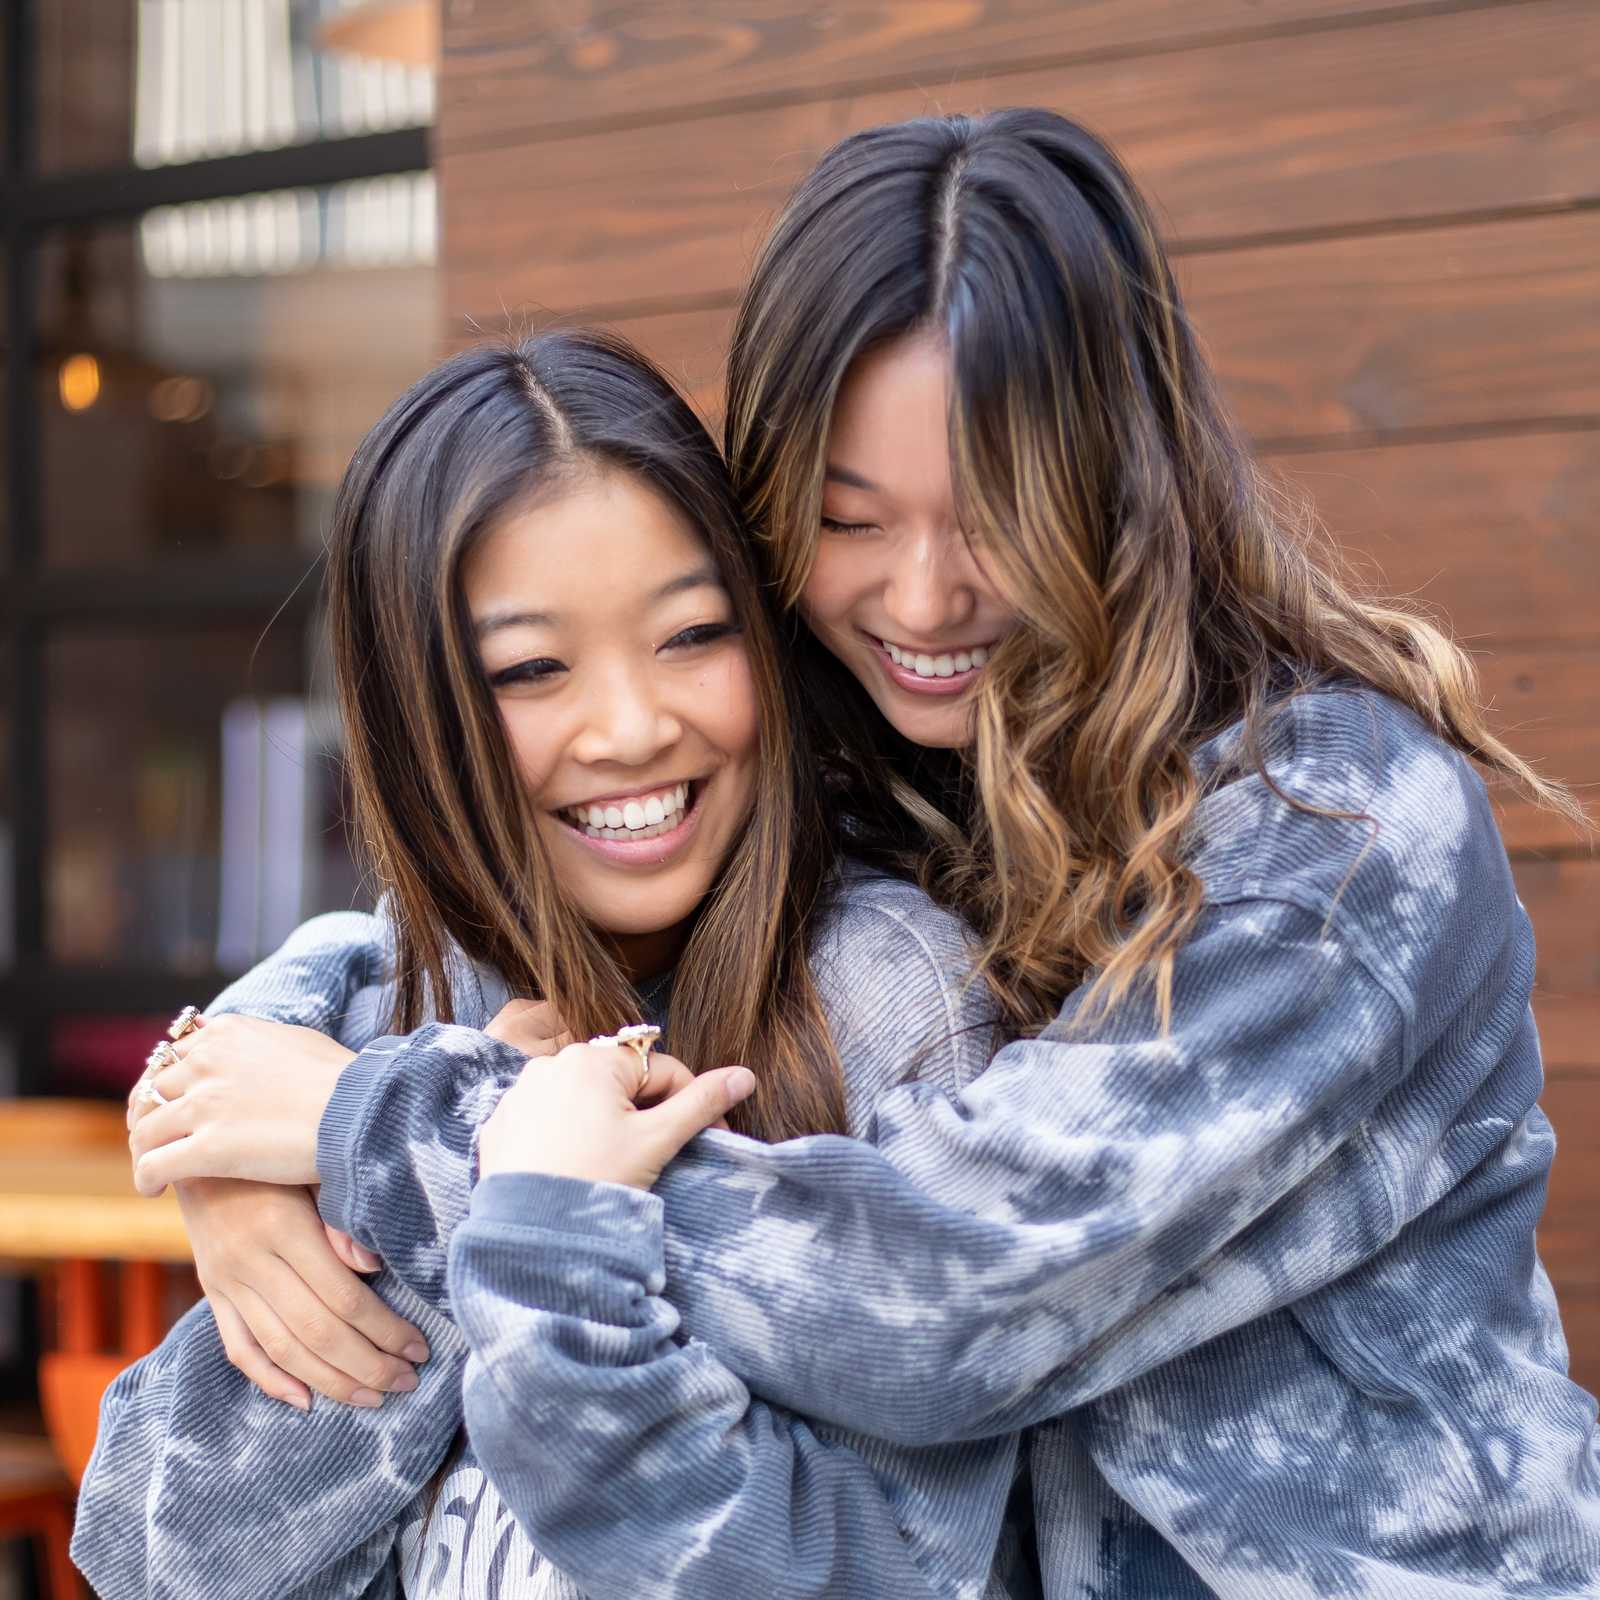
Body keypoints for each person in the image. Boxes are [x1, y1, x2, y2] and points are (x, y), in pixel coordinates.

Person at [110, 108, 1600, 1596]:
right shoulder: (855, 757)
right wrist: (231, 1119)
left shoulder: (1329, 828)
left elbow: (950, 1299)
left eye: (997, 515)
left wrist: (406, 1142)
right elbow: (412, 936)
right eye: (845, 518)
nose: (924, 594)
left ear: (1121, 483)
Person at [74, 328, 1035, 1599]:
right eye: (532, 668)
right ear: (417, 714)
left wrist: (445, 1163)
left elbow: (904, 1566)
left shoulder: (890, 999)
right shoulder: (386, 999)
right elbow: (157, 1553)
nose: (634, 726)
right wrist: (415, 1184)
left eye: (691, 634)